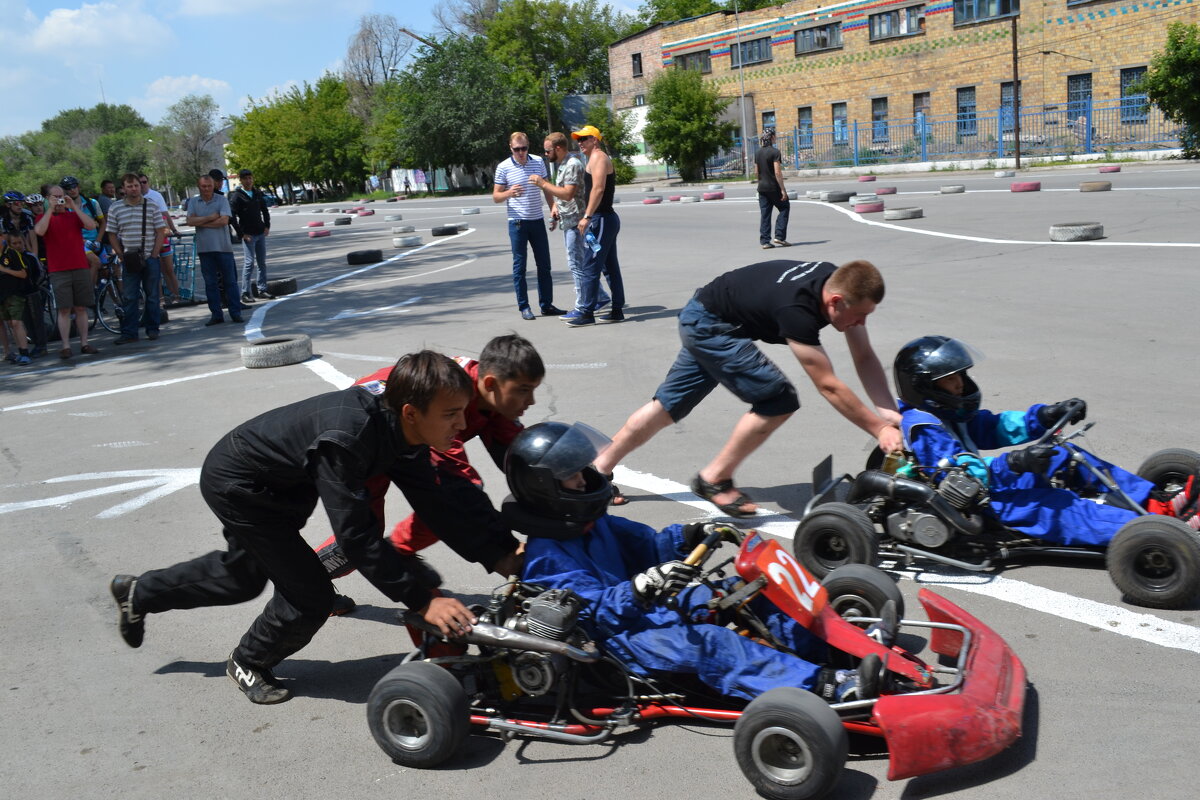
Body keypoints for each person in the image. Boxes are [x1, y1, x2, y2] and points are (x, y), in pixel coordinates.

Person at [109, 351, 485, 704]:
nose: (463, 424)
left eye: (463, 412)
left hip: (279, 483)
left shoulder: (408, 433)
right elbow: (356, 537)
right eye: (452, 414)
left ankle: (140, 593)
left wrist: (501, 555)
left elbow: (435, 504)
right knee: (310, 597)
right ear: (411, 412)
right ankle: (249, 660)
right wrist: (422, 600)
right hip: (241, 484)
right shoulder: (350, 438)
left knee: (241, 576)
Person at [510, 421, 880, 703]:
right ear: (547, 489)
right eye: (572, 477)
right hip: (613, 643)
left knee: (743, 593)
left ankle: (832, 649)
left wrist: (688, 536)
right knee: (712, 643)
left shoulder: (594, 523)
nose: (583, 479)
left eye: (581, 470)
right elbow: (590, 614)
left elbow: (650, 546)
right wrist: (641, 588)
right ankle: (825, 685)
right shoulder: (546, 556)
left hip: (647, 613)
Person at [592, 259, 902, 515]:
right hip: (711, 325)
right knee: (778, 399)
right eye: (860, 315)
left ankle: (598, 472)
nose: (861, 323)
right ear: (835, 302)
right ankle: (714, 479)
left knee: (666, 408)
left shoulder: (838, 283)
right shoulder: (798, 311)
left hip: (706, 312)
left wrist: (887, 413)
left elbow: (863, 355)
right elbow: (828, 385)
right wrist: (879, 430)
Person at [892, 335, 1193, 545]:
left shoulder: (951, 414)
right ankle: (1160, 531)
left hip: (993, 485)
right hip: (975, 502)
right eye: (950, 379)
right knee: (1058, 505)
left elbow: (995, 426)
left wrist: (1047, 415)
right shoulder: (924, 428)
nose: (960, 385)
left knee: (1064, 456)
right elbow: (961, 476)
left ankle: (1157, 503)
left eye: (961, 376)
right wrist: (1015, 462)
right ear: (924, 387)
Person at [313, 334, 541, 603]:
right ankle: (307, 585)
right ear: (491, 384)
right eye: (524, 390)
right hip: (366, 438)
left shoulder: (492, 394)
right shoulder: (448, 401)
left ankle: (398, 549)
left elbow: (524, 460)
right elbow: (457, 485)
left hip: (409, 436)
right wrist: (504, 551)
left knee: (441, 509)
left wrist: (576, 486)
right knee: (363, 534)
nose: (532, 401)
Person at [532, 132, 611, 318]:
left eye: (547, 150)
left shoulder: (573, 164)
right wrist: (556, 210)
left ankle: (582, 305)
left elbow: (568, 193)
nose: (545, 154)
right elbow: (566, 197)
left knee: (577, 264)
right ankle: (599, 296)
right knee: (581, 263)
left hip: (577, 222)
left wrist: (542, 183)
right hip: (569, 220)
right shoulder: (562, 165)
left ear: (557, 148)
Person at [492, 131, 564, 321]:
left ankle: (546, 305)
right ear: (511, 148)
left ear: (528, 146)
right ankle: (524, 306)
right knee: (520, 267)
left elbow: (546, 187)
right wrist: (508, 193)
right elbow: (496, 196)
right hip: (517, 223)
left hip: (537, 220)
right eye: (517, 149)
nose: (521, 152)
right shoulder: (503, 167)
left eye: (524, 148)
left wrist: (553, 207)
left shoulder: (538, 162)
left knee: (545, 265)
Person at [564, 125, 626, 327]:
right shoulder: (593, 158)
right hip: (603, 220)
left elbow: (598, 189)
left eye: (584, 139)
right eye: (578, 140)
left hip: (601, 219)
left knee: (590, 264)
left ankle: (586, 312)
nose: (580, 143)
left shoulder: (599, 157)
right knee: (609, 266)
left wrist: (587, 216)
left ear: (595, 140)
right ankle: (617, 309)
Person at [33, 184, 101, 358]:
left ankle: (84, 343)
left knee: (81, 307)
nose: (59, 199)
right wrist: (50, 209)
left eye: (61, 196)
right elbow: (39, 231)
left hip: (79, 266)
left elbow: (91, 225)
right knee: (63, 309)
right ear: (47, 199)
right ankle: (65, 346)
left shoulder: (73, 216)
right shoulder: (43, 217)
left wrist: (74, 208)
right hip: (59, 269)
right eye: (55, 196)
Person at [106, 172, 167, 345]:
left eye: (136, 185)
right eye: (129, 186)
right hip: (129, 259)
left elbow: (160, 231)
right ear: (123, 189)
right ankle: (129, 332)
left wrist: (154, 254)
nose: (134, 189)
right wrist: (120, 254)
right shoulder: (115, 208)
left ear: (140, 187)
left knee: (152, 295)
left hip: (149, 257)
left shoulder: (152, 205)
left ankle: (153, 329)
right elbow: (111, 233)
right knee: (130, 296)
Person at [185, 174, 243, 326]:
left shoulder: (222, 200)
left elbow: (224, 221)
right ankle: (216, 314)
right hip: (205, 249)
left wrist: (201, 222)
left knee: (230, 281)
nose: (206, 189)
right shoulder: (193, 201)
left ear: (213, 186)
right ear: (199, 187)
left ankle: (235, 312)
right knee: (210, 283)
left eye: (209, 186)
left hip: (223, 248)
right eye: (203, 186)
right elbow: (189, 221)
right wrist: (211, 217)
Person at [228, 168, 273, 304]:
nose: (248, 181)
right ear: (241, 180)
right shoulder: (237, 196)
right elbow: (232, 216)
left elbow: (264, 210)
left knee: (262, 262)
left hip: (260, 232)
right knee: (249, 263)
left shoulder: (257, 193)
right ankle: (245, 292)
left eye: (250, 178)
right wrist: (241, 234)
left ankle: (262, 289)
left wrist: (267, 226)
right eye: (245, 179)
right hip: (248, 234)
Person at [137, 174, 183, 304]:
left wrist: (173, 230)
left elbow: (165, 215)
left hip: (163, 242)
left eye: (144, 182)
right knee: (155, 273)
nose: (142, 185)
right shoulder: (137, 200)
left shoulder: (156, 196)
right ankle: (161, 298)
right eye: (139, 183)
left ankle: (176, 295)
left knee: (169, 270)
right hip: (150, 242)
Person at [60, 176, 106, 284]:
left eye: (74, 186)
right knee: (96, 263)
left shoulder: (92, 203)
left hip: (96, 241)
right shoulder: (64, 208)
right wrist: (84, 242)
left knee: (109, 270)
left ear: (78, 187)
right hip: (78, 244)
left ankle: (117, 299)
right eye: (68, 188)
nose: (72, 190)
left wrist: (98, 240)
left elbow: (103, 223)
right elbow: (66, 231)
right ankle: (88, 296)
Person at [0, 239, 35, 365]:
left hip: (15, 293)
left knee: (16, 322)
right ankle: (20, 352)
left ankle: (25, 353)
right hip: (2, 295)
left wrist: (5, 270)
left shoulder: (11, 253)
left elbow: (23, 274)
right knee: (10, 323)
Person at [754, 129, 790, 249]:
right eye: (775, 136)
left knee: (765, 214)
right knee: (784, 207)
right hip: (773, 188)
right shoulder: (775, 152)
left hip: (762, 188)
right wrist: (783, 190)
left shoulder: (758, 152)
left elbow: (756, 172)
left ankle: (765, 241)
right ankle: (779, 237)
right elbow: (777, 172)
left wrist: (761, 182)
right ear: (772, 137)